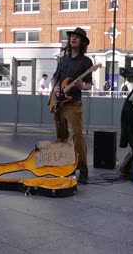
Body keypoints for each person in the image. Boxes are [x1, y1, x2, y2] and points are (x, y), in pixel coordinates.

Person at [51, 27, 93, 184]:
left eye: (77, 37)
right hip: (59, 103)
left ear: (82, 41)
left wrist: (82, 86)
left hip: (74, 103)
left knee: (77, 136)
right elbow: (55, 78)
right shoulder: (63, 59)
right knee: (62, 137)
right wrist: (53, 88)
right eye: (72, 36)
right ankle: (67, 168)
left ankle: (83, 170)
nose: (73, 38)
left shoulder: (86, 62)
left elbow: (89, 85)